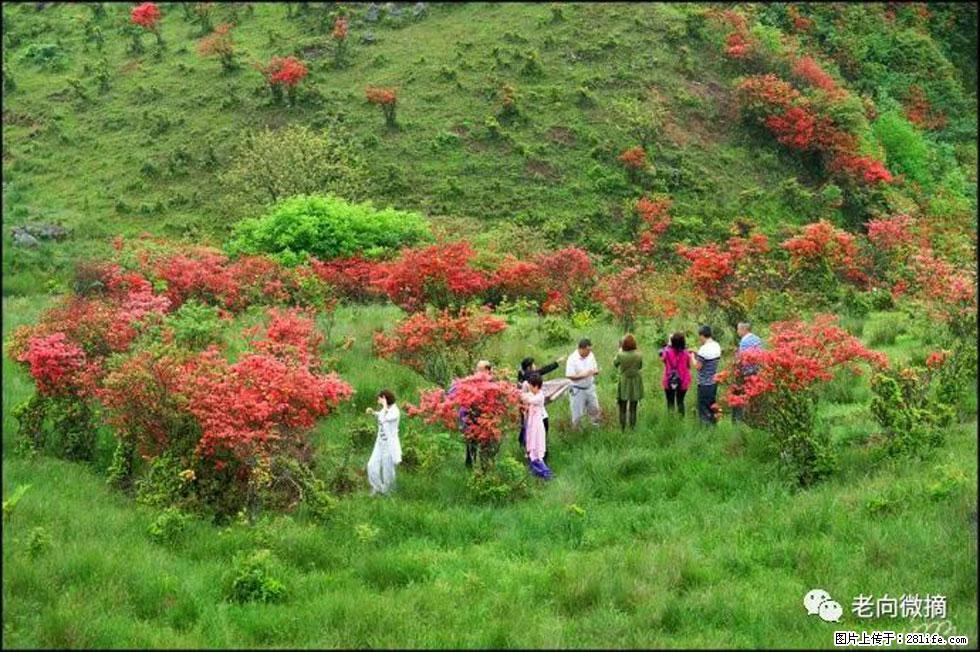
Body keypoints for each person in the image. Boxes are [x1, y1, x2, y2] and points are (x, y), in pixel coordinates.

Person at [517, 355, 567, 454]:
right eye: (533, 365)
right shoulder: (530, 377)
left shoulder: (522, 377)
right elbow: (544, 370)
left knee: (526, 427)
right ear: (529, 367)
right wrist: (557, 362)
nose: (535, 366)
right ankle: (539, 452)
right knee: (536, 431)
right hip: (533, 411)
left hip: (524, 408)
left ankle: (526, 446)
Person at [365, 389, 402, 495]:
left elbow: (385, 418)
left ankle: (389, 492)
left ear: (385, 399)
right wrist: (373, 413)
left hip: (389, 445)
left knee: (388, 469)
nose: (378, 400)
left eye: (380, 398)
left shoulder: (395, 411)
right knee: (371, 465)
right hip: (380, 442)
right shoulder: (384, 410)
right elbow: (381, 415)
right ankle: (377, 488)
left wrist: (384, 405)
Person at [458, 360, 492, 468]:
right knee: (471, 444)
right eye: (477, 369)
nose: (477, 372)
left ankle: (484, 467)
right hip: (471, 417)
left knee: (485, 446)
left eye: (480, 370)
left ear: (487, 370)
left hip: (486, 419)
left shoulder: (492, 383)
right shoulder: (472, 382)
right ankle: (470, 465)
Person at [521, 374, 553, 479]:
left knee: (537, 446)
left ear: (536, 386)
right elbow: (527, 398)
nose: (529, 388)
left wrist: (521, 394)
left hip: (537, 426)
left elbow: (529, 399)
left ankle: (545, 473)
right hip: (531, 425)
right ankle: (536, 471)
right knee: (531, 446)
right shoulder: (533, 394)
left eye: (530, 386)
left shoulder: (540, 396)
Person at [566, 338, 601, 428]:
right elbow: (569, 375)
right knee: (577, 413)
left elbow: (595, 368)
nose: (589, 352)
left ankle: (596, 427)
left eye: (590, 350)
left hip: (590, 387)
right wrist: (583, 375)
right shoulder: (572, 359)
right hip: (577, 390)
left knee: (595, 408)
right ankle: (577, 432)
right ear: (581, 349)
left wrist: (595, 371)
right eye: (587, 350)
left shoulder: (591, 355)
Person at [733, 321, 764, 422]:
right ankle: (755, 417)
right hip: (757, 372)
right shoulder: (757, 339)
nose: (737, 331)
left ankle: (740, 419)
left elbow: (741, 360)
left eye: (738, 329)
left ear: (743, 330)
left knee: (741, 396)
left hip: (746, 373)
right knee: (754, 397)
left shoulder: (744, 341)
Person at [692, 325, 722, 426]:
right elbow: (708, 360)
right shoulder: (716, 345)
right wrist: (698, 353)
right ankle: (713, 425)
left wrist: (692, 357)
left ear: (702, 336)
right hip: (713, 381)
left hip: (704, 383)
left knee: (703, 408)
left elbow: (698, 366)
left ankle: (706, 429)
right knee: (712, 405)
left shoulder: (703, 349)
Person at [612, 334, 643, 431]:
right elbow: (640, 366)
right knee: (633, 407)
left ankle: (622, 429)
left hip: (624, 381)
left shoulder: (620, 355)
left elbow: (615, 364)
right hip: (635, 381)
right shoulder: (639, 354)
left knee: (622, 407)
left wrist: (619, 350)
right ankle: (632, 428)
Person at [659, 332, 692, 416]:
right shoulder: (686, 354)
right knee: (680, 401)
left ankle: (671, 421)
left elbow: (663, 360)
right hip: (683, 380)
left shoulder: (667, 352)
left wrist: (668, 345)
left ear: (672, 342)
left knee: (670, 402)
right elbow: (688, 366)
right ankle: (681, 420)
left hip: (669, 379)